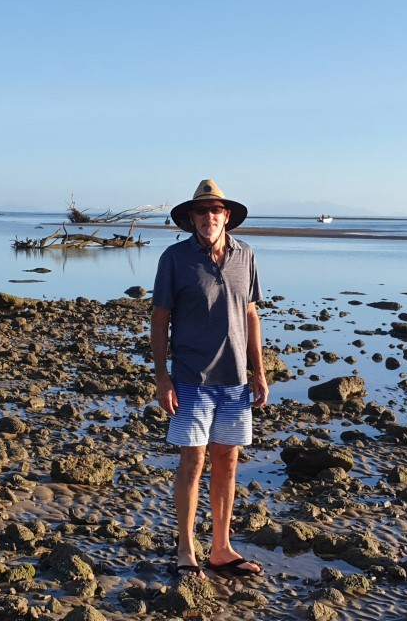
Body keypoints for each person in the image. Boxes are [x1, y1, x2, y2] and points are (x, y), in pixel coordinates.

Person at [150, 179, 269, 579]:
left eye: (215, 210)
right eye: (200, 211)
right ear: (191, 219)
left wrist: (259, 371)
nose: (208, 217)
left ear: (226, 216)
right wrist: (162, 377)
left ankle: (221, 548)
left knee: (228, 462)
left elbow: (250, 314)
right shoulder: (174, 258)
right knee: (193, 461)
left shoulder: (245, 254)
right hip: (191, 379)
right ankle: (186, 550)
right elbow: (160, 318)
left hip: (234, 381)